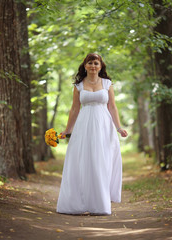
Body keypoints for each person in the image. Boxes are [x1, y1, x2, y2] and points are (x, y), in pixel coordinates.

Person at [56, 53, 128, 215]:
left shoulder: (107, 84)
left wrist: (119, 128)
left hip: (104, 125)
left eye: (96, 63)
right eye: (90, 63)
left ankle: (100, 203)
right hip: (84, 126)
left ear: (101, 66)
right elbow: (75, 109)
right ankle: (79, 202)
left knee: (101, 161)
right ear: (85, 65)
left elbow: (112, 107)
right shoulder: (79, 85)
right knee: (83, 161)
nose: (93, 66)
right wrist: (67, 130)